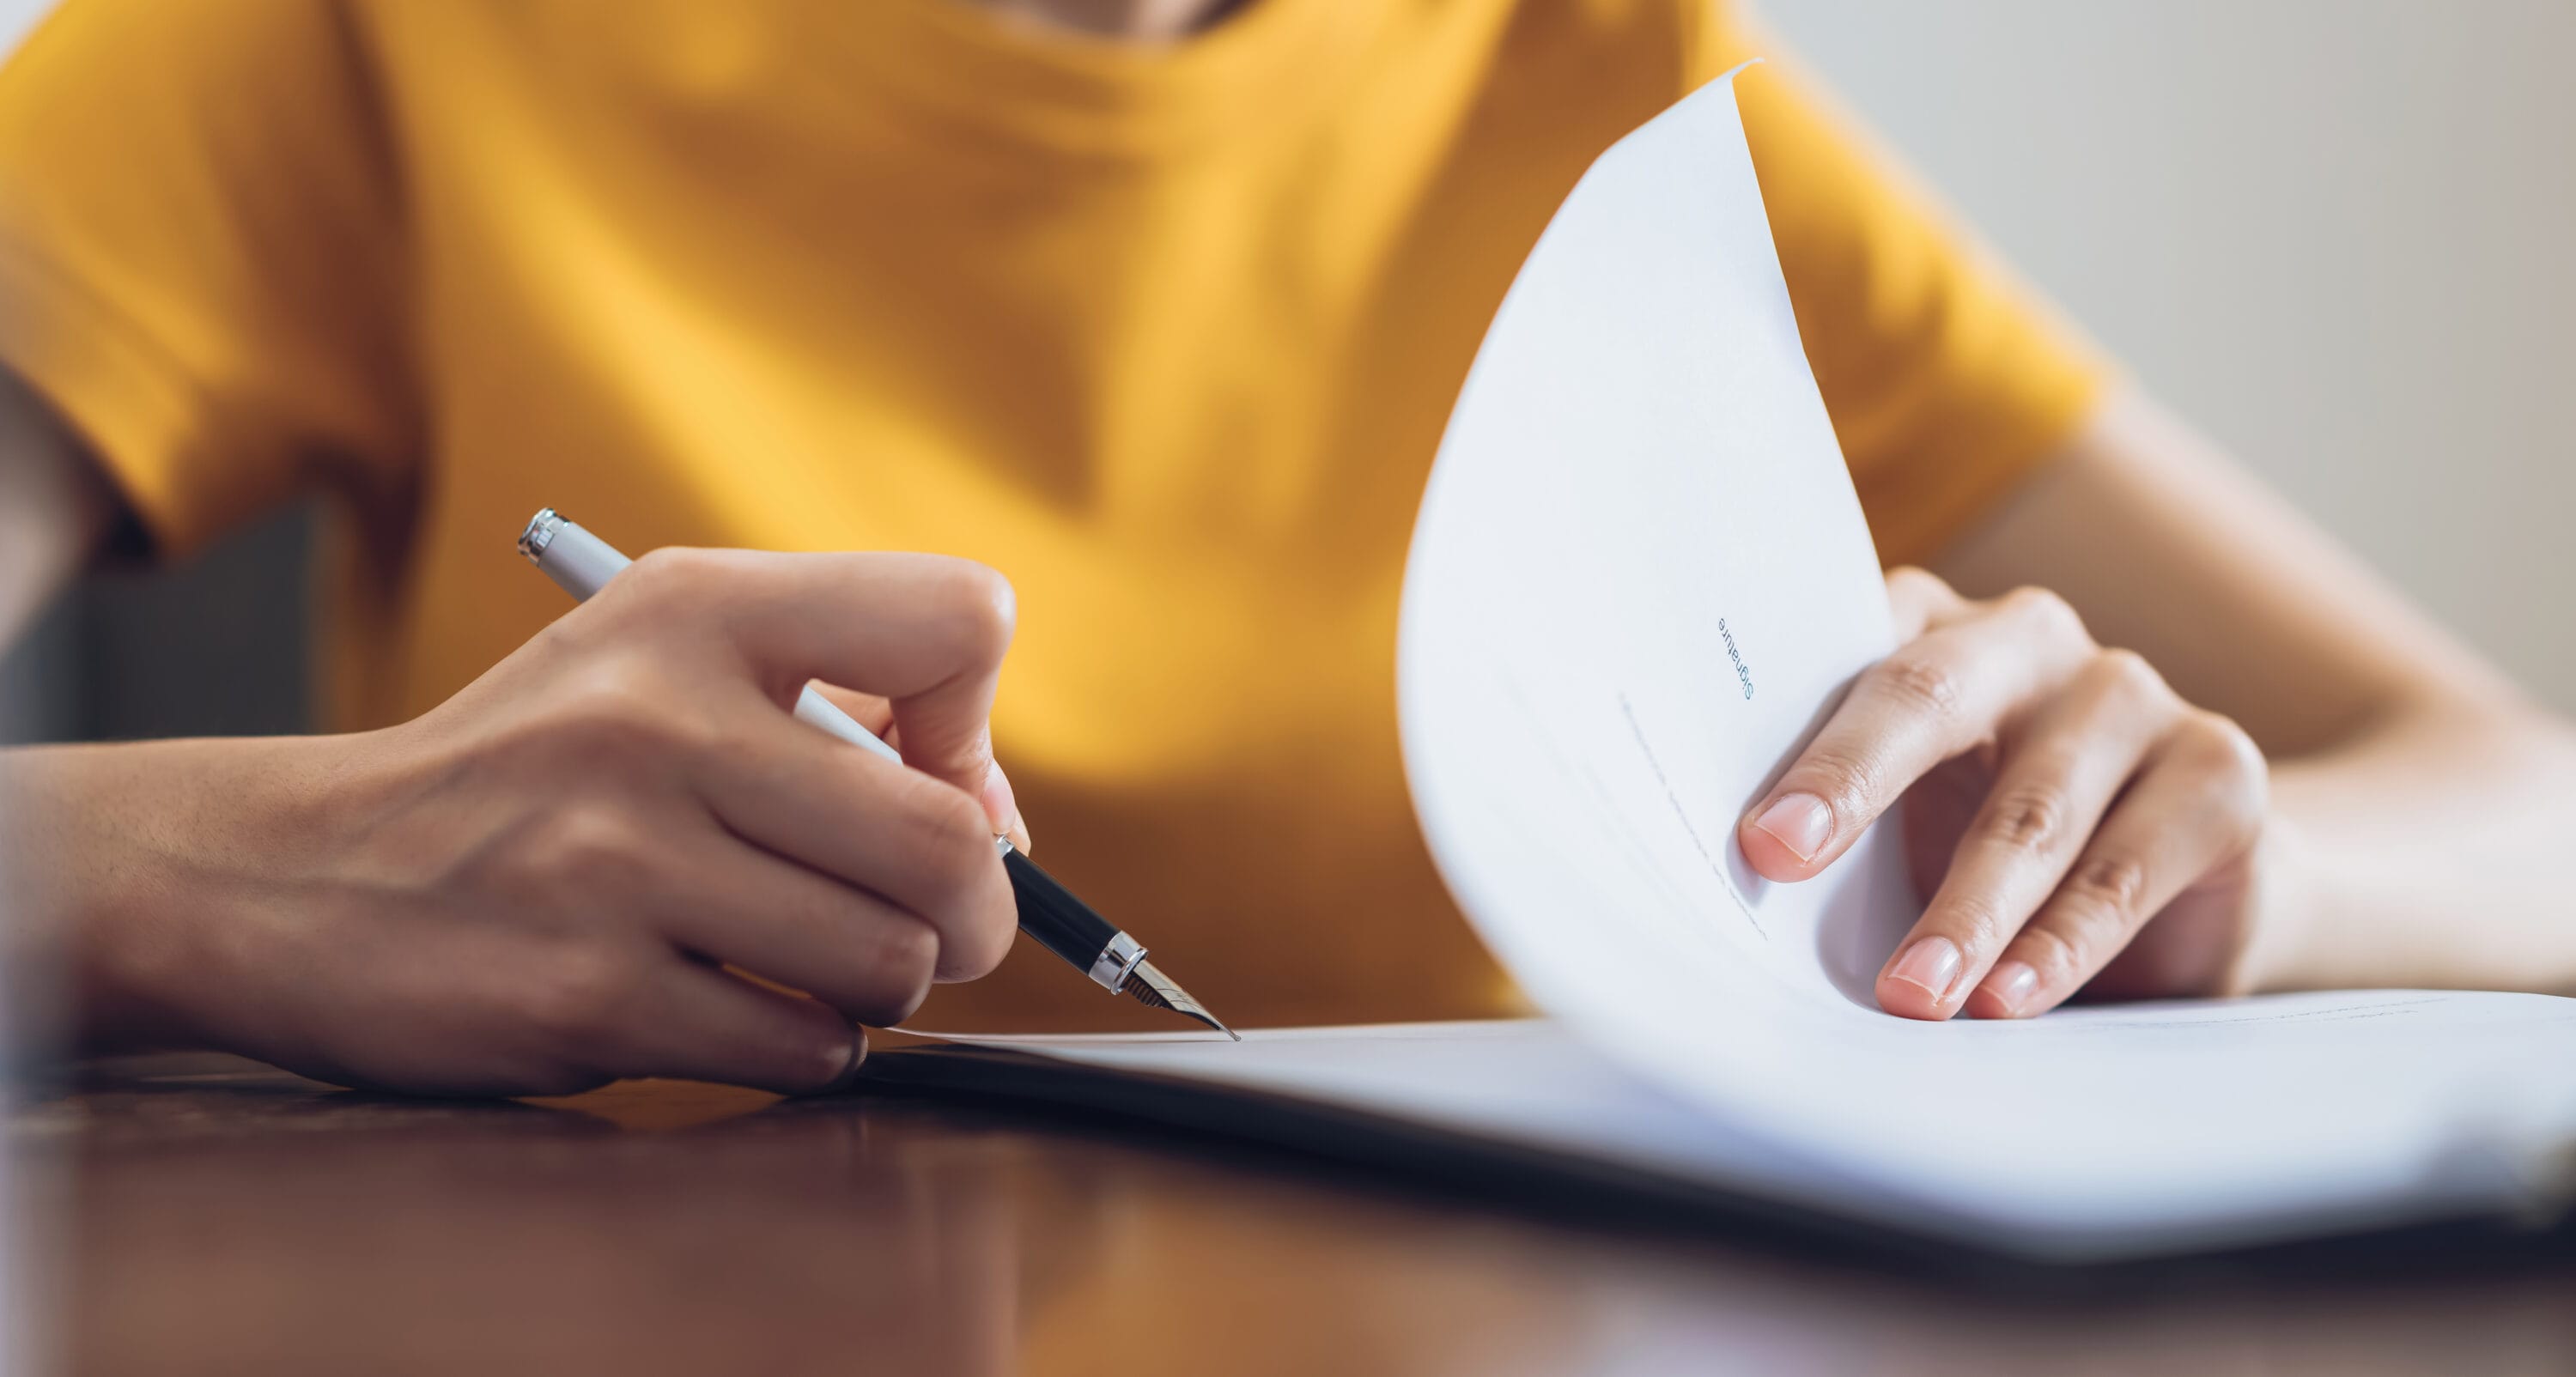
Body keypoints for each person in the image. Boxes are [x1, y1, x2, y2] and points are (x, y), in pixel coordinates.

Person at [1, 0, 2569, 1098]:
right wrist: (240, 875)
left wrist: (2228, 870)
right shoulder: (363, 31)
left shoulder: (1595, 83)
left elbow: (2526, 797)